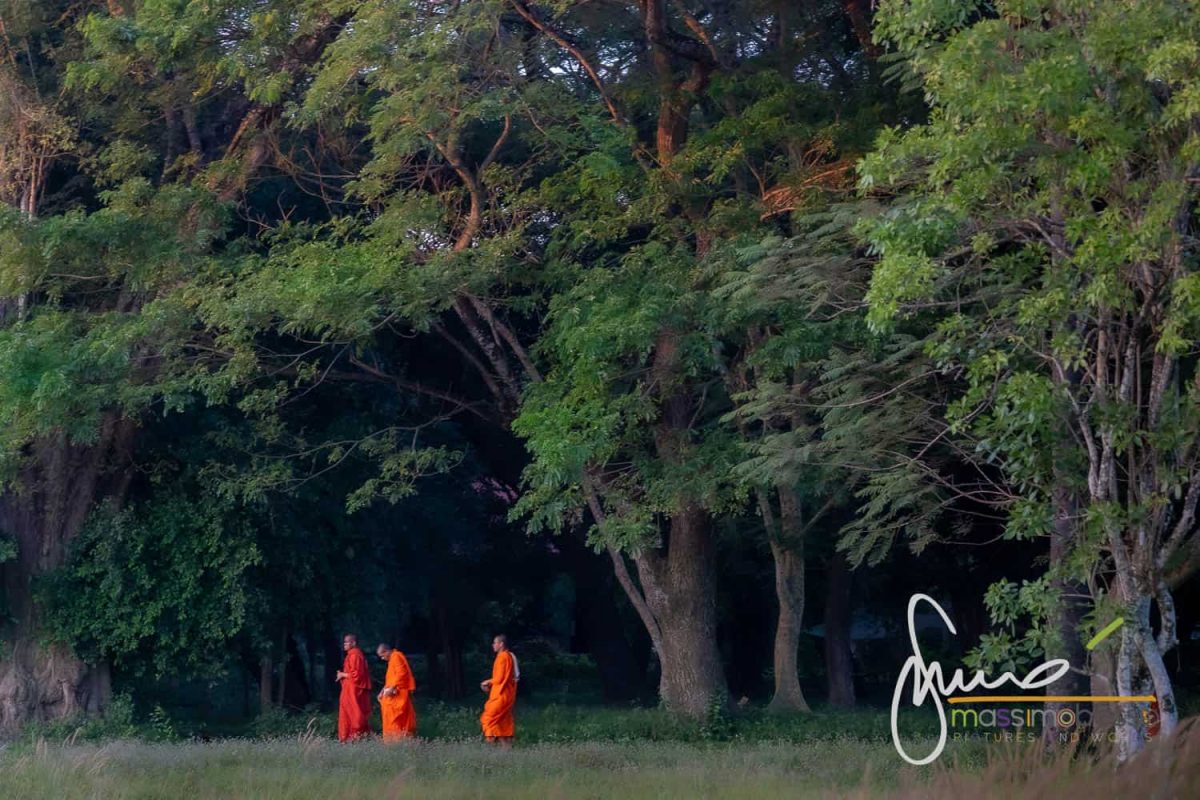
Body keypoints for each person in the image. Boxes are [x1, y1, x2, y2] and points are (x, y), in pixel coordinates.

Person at [479, 634, 519, 746]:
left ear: (501, 644)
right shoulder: (510, 656)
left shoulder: (503, 657)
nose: (493, 645)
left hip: (501, 696)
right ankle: (506, 751)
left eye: (495, 643)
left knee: (488, 719)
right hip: (507, 695)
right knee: (502, 722)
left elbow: (500, 678)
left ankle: (490, 746)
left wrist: (487, 682)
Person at [376, 642, 417, 740]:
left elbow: (402, 674)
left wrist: (392, 688)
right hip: (392, 693)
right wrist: (382, 691)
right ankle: (392, 741)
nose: (382, 659)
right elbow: (390, 679)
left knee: (398, 720)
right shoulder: (392, 660)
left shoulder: (396, 657)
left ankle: (400, 741)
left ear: (386, 651)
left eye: (382, 656)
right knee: (390, 719)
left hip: (399, 694)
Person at [336, 633, 373, 742]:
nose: (344, 644)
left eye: (347, 642)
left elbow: (357, 675)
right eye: (344, 642)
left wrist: (343, 675)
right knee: (347, 713)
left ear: (354, 643)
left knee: (355, 714)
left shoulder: (355, 655)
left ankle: (355, 738)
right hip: (349, 690)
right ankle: (348, 738)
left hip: (354, 691)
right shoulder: (351, 654)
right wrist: (342, 674)